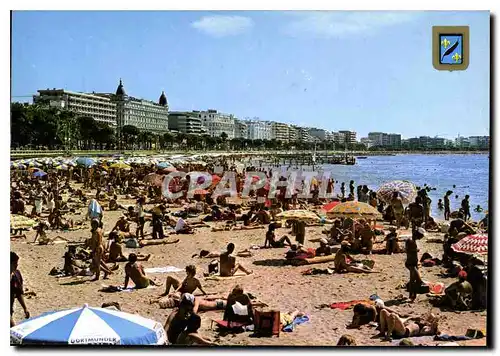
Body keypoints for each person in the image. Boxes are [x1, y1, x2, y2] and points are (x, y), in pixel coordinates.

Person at [405, 227, 425, 302]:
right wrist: (416, 250)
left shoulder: (412, 240)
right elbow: (409, 250)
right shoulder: (410, 241)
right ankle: (411, 296)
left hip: (413, 263)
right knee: (414, 280)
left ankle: (413, 296)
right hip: (411, 263)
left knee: (414, 280)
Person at [11, 252, 30, 327]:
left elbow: (19, 293)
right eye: (14, 263)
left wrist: (25, 308)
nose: (16, 265)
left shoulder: (16, 275)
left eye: (17, 263)